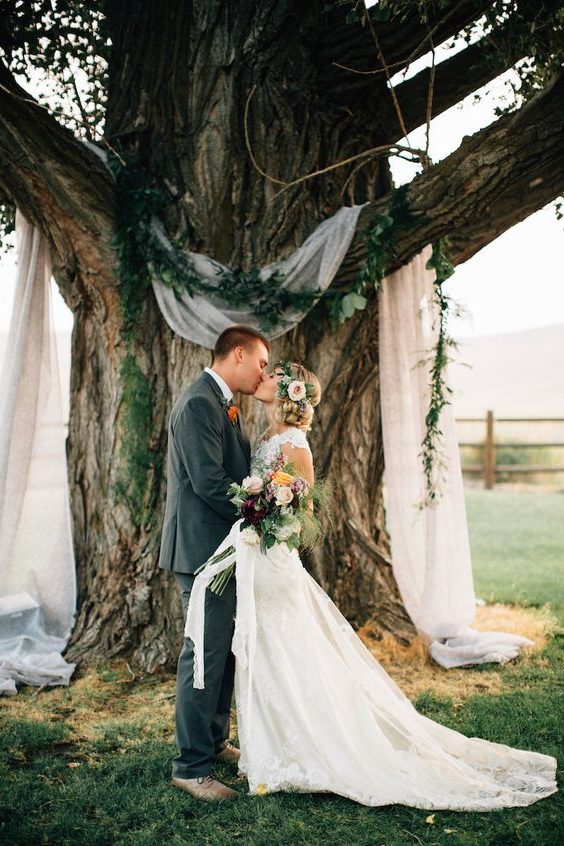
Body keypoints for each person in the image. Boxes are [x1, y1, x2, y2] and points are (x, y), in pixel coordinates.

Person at [188, 360, 558, 809]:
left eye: (273, 375)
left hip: (272, 561)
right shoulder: (264, 436)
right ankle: (272, 744)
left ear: (288, 393)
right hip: (255, 559)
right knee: (263, 653)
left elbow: (301, 514)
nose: (263, 377)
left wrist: (265, 515)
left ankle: (309, 745)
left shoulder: (294, 445)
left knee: (285, 652)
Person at [158, 324, 270, 801]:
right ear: (238, 354)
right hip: (202, 552)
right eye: (262, 362)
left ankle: (214, 740)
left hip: (221, 550)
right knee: (202, 656)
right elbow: (208, 481)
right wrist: (258, 514)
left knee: (222, 650)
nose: (265, 372)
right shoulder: (200, 403)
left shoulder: (223, 404)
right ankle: (190, 767)